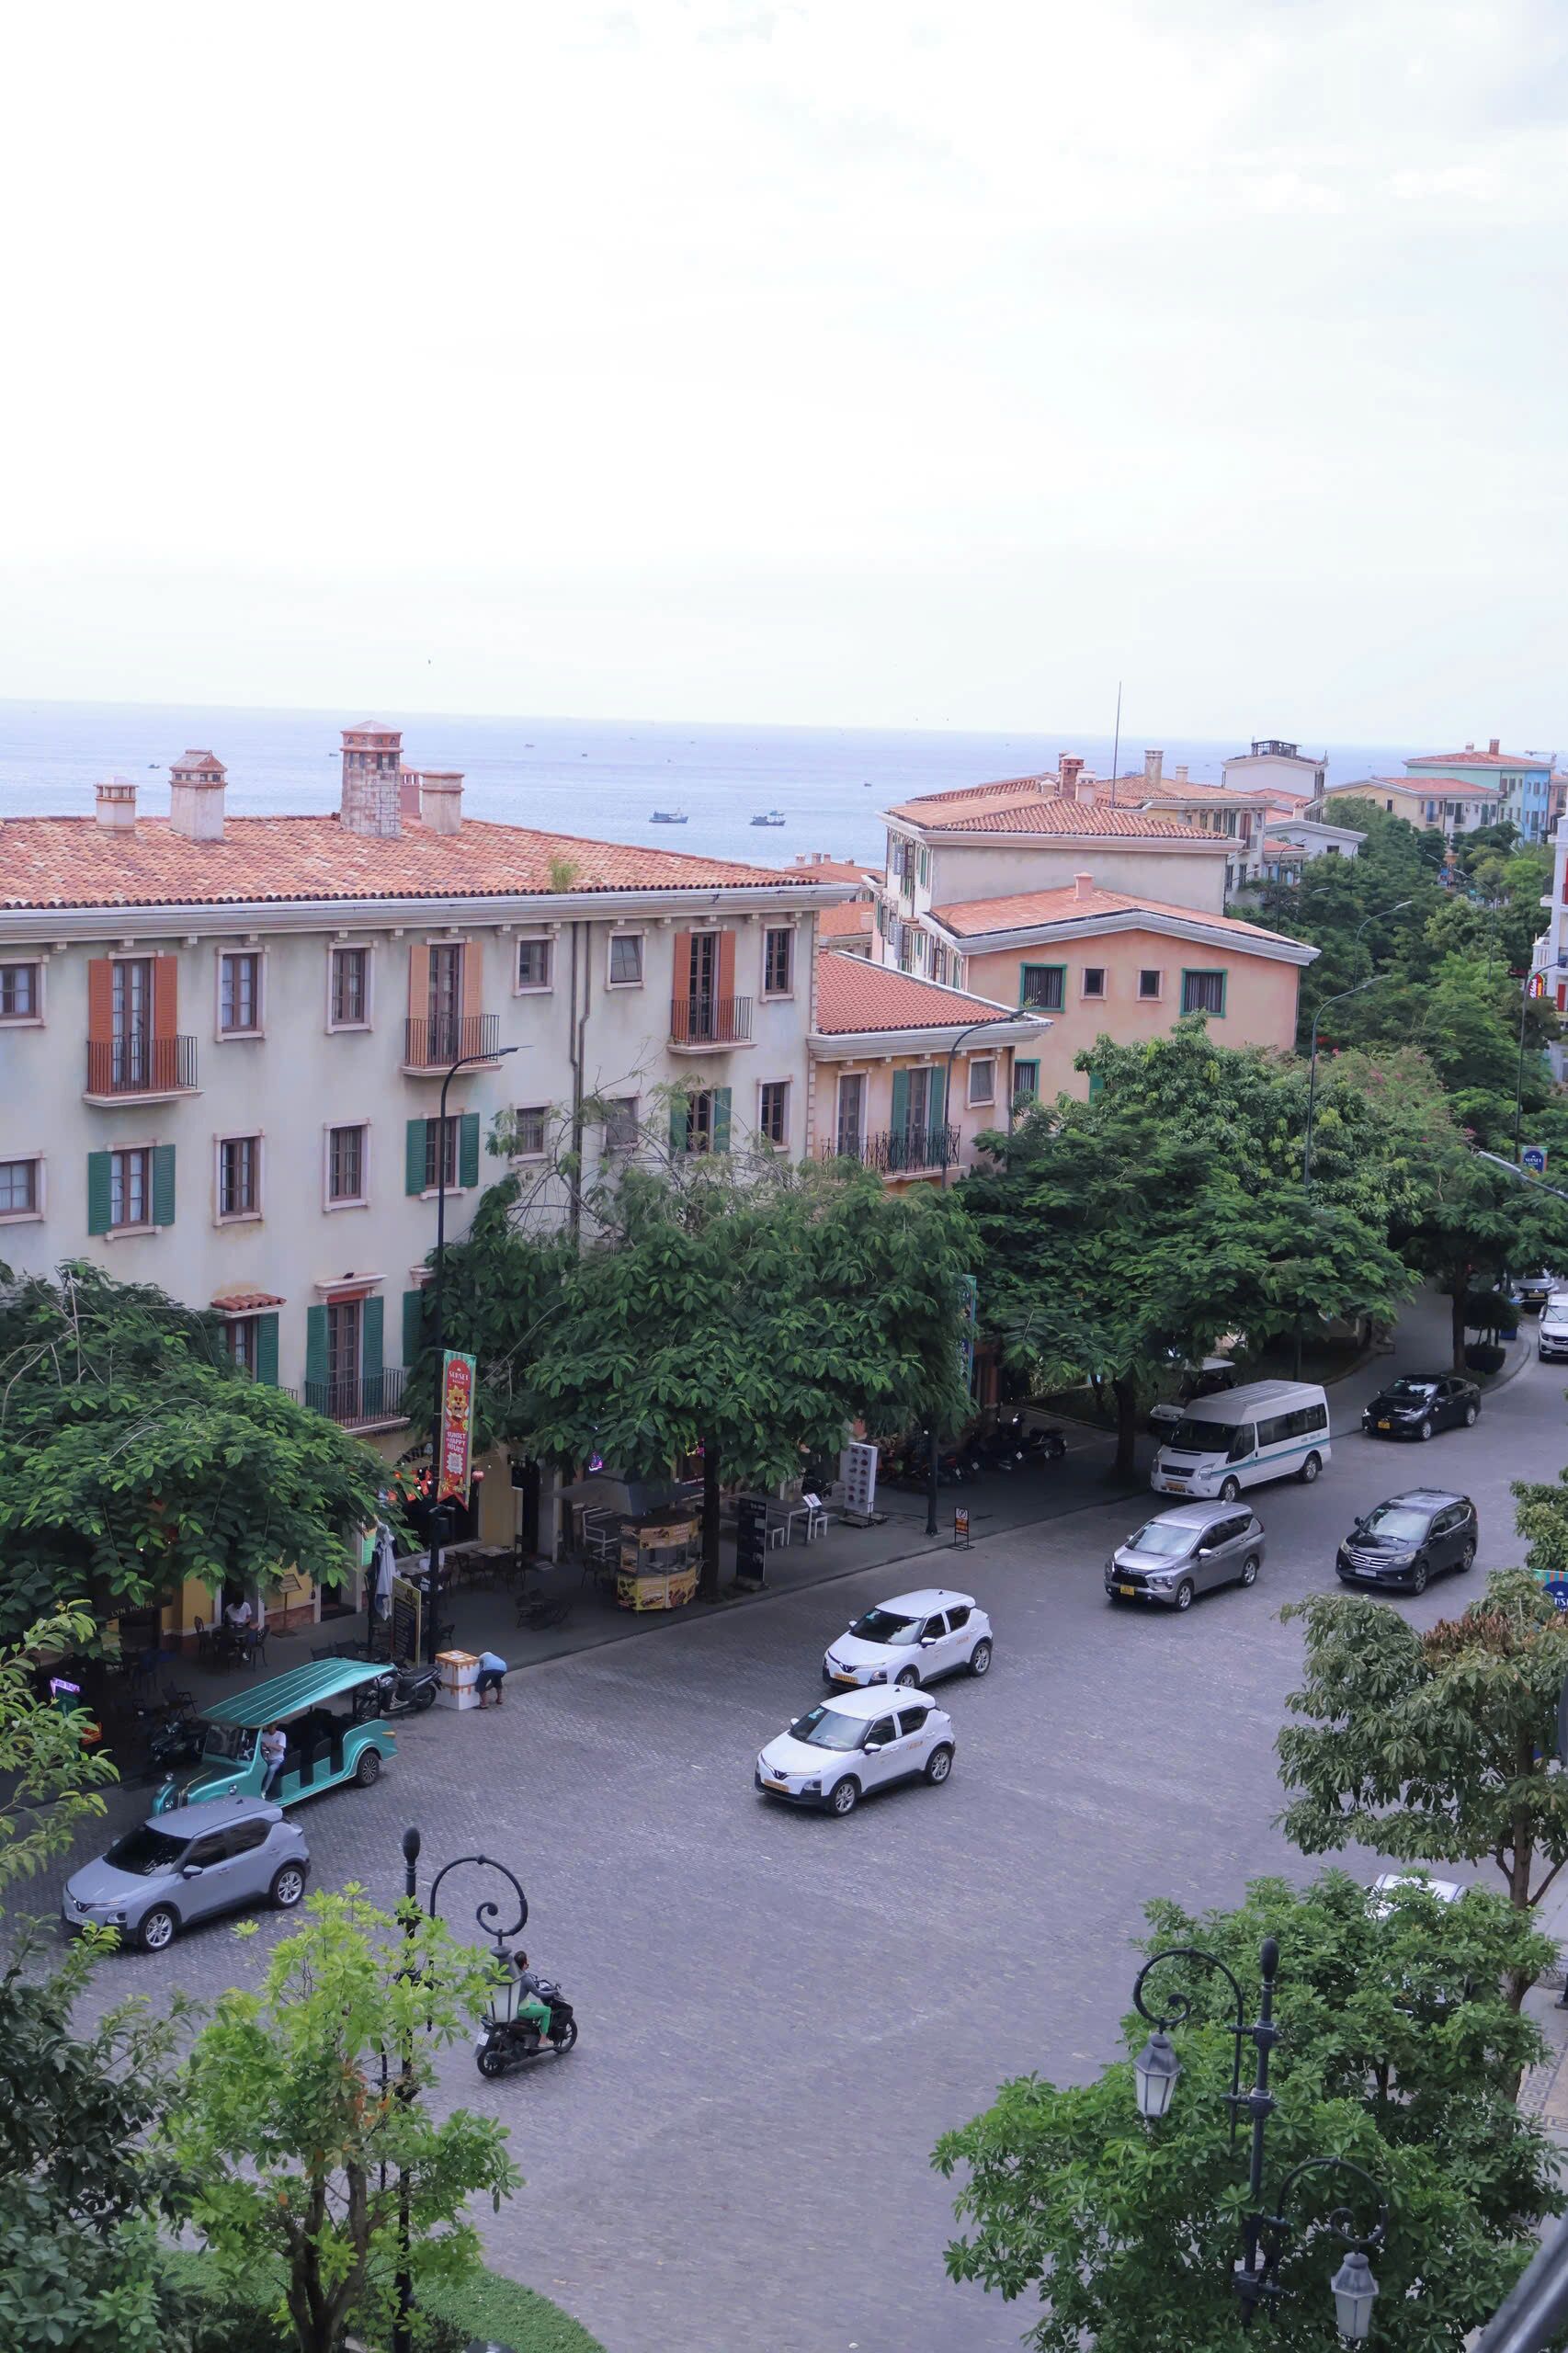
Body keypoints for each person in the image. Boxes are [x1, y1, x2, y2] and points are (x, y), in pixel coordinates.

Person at [259, 1722, 288, 1799]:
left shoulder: (281, 1735)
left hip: (278, 1760)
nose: (270, 1727)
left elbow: (280, 1748)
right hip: (266, 1759)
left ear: (275, 1726)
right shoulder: (264, 1735)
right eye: (268, 1726)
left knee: (271, 1769)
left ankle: (264, 1791)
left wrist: (269, 1745)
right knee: (258, 1768)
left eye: (271, 1726)